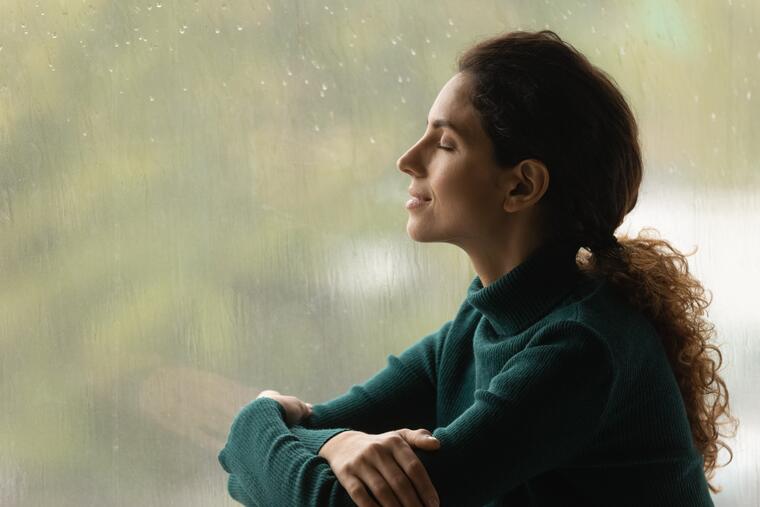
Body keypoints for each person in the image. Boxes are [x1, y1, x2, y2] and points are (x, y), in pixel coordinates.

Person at [218, 30, 736, 506]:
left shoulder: (582, 349)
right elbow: (244, 458)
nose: (407, 159)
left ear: (521, 186)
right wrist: (334, 439)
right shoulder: (480, 325)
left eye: (444, 143)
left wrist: (269, 418)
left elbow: (334, 500)